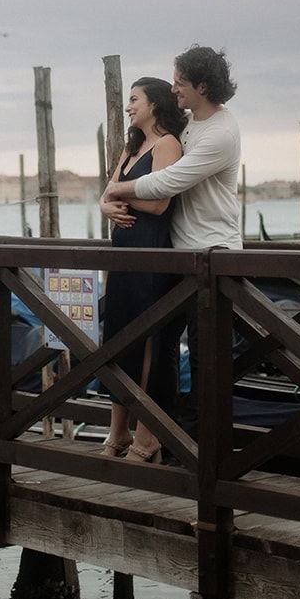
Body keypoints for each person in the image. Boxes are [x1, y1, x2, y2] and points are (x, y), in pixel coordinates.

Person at [102, 44, 241, 441]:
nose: (174, 88)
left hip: (214, 254)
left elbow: (165, 186)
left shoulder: (221, 134)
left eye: (180, 81)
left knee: (206, 358)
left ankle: (206, 453)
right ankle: (176, 441)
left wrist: (114, 191)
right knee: (156, 345)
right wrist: (106, 199)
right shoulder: (192, 126)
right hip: (181, 253)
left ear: (202, 84)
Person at [98, 77, 187, 464]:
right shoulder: (131, 146)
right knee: (119, 342)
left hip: (152, 255)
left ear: (155, 103)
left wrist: (118, 196)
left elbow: (159, 204)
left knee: (149, 344)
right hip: (123, 256)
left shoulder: (168, 144)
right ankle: (117, 434)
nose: (129, 106)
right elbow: (107, 193)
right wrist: (107, 205)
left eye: (135, 99)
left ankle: (148, 439)